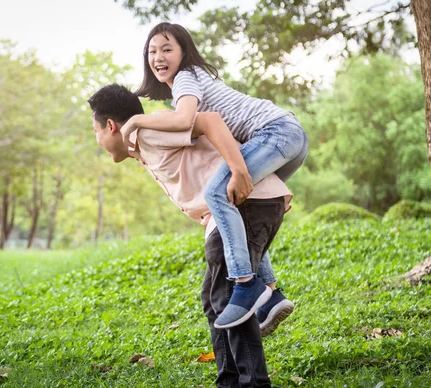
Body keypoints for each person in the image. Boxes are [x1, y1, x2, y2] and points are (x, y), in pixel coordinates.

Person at [88, 83, 293, 386]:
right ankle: (231, 378)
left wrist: (240, 173)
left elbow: (209, 122)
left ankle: (251, 382)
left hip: (244, 202)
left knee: (225, 297)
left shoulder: (150, 132)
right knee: (215, 299)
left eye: (96, 132)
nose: (97, 140)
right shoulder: (144, 146)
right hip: (242, 207)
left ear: (110, 125)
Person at [120, 22, 309, 329]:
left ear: (184, 53)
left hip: (275, 133)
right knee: (241, 207)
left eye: (167, 49)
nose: (159, 57)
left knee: (216, 193)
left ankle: (245, 284)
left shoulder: (185, 79)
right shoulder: (190, 82)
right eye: (152, 51)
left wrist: (135, 121)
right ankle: (272, 295)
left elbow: (186, 120)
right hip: (288, 136)